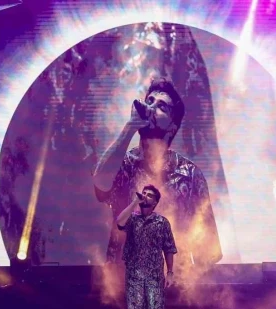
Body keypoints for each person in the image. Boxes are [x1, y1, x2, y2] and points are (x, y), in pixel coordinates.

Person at [93, 77, 220, 273]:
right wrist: (130, 126)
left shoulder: (191, 174)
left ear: (172, 127)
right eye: (149, 101)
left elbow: (208, 250)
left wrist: (190, 284)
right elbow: (100, 186)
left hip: (174, 284)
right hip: (121, 284)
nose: (151, 108)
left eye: (162, 107)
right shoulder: (124, 165)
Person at [115, 184, 177, 309]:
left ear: (155, 202)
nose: (145, 196)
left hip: (155, 275)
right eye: (144, 193)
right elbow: (120, 222)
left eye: (150, 195)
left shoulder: (162, 222)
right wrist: (134, 202)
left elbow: (169, 248)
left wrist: (170, 272)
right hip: (134, 275)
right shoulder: (132, 219)